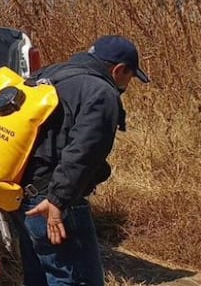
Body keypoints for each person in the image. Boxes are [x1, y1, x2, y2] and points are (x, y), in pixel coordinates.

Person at [14, 35, 150, 286]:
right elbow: (82, 154)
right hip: (52, 199)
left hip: (22, 192)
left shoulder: (51, 73)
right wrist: (58, 201)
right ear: (119, 69)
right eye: (130, 77)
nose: (128, 84)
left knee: (39, 275)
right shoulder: (102, 93)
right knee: (78, 279)